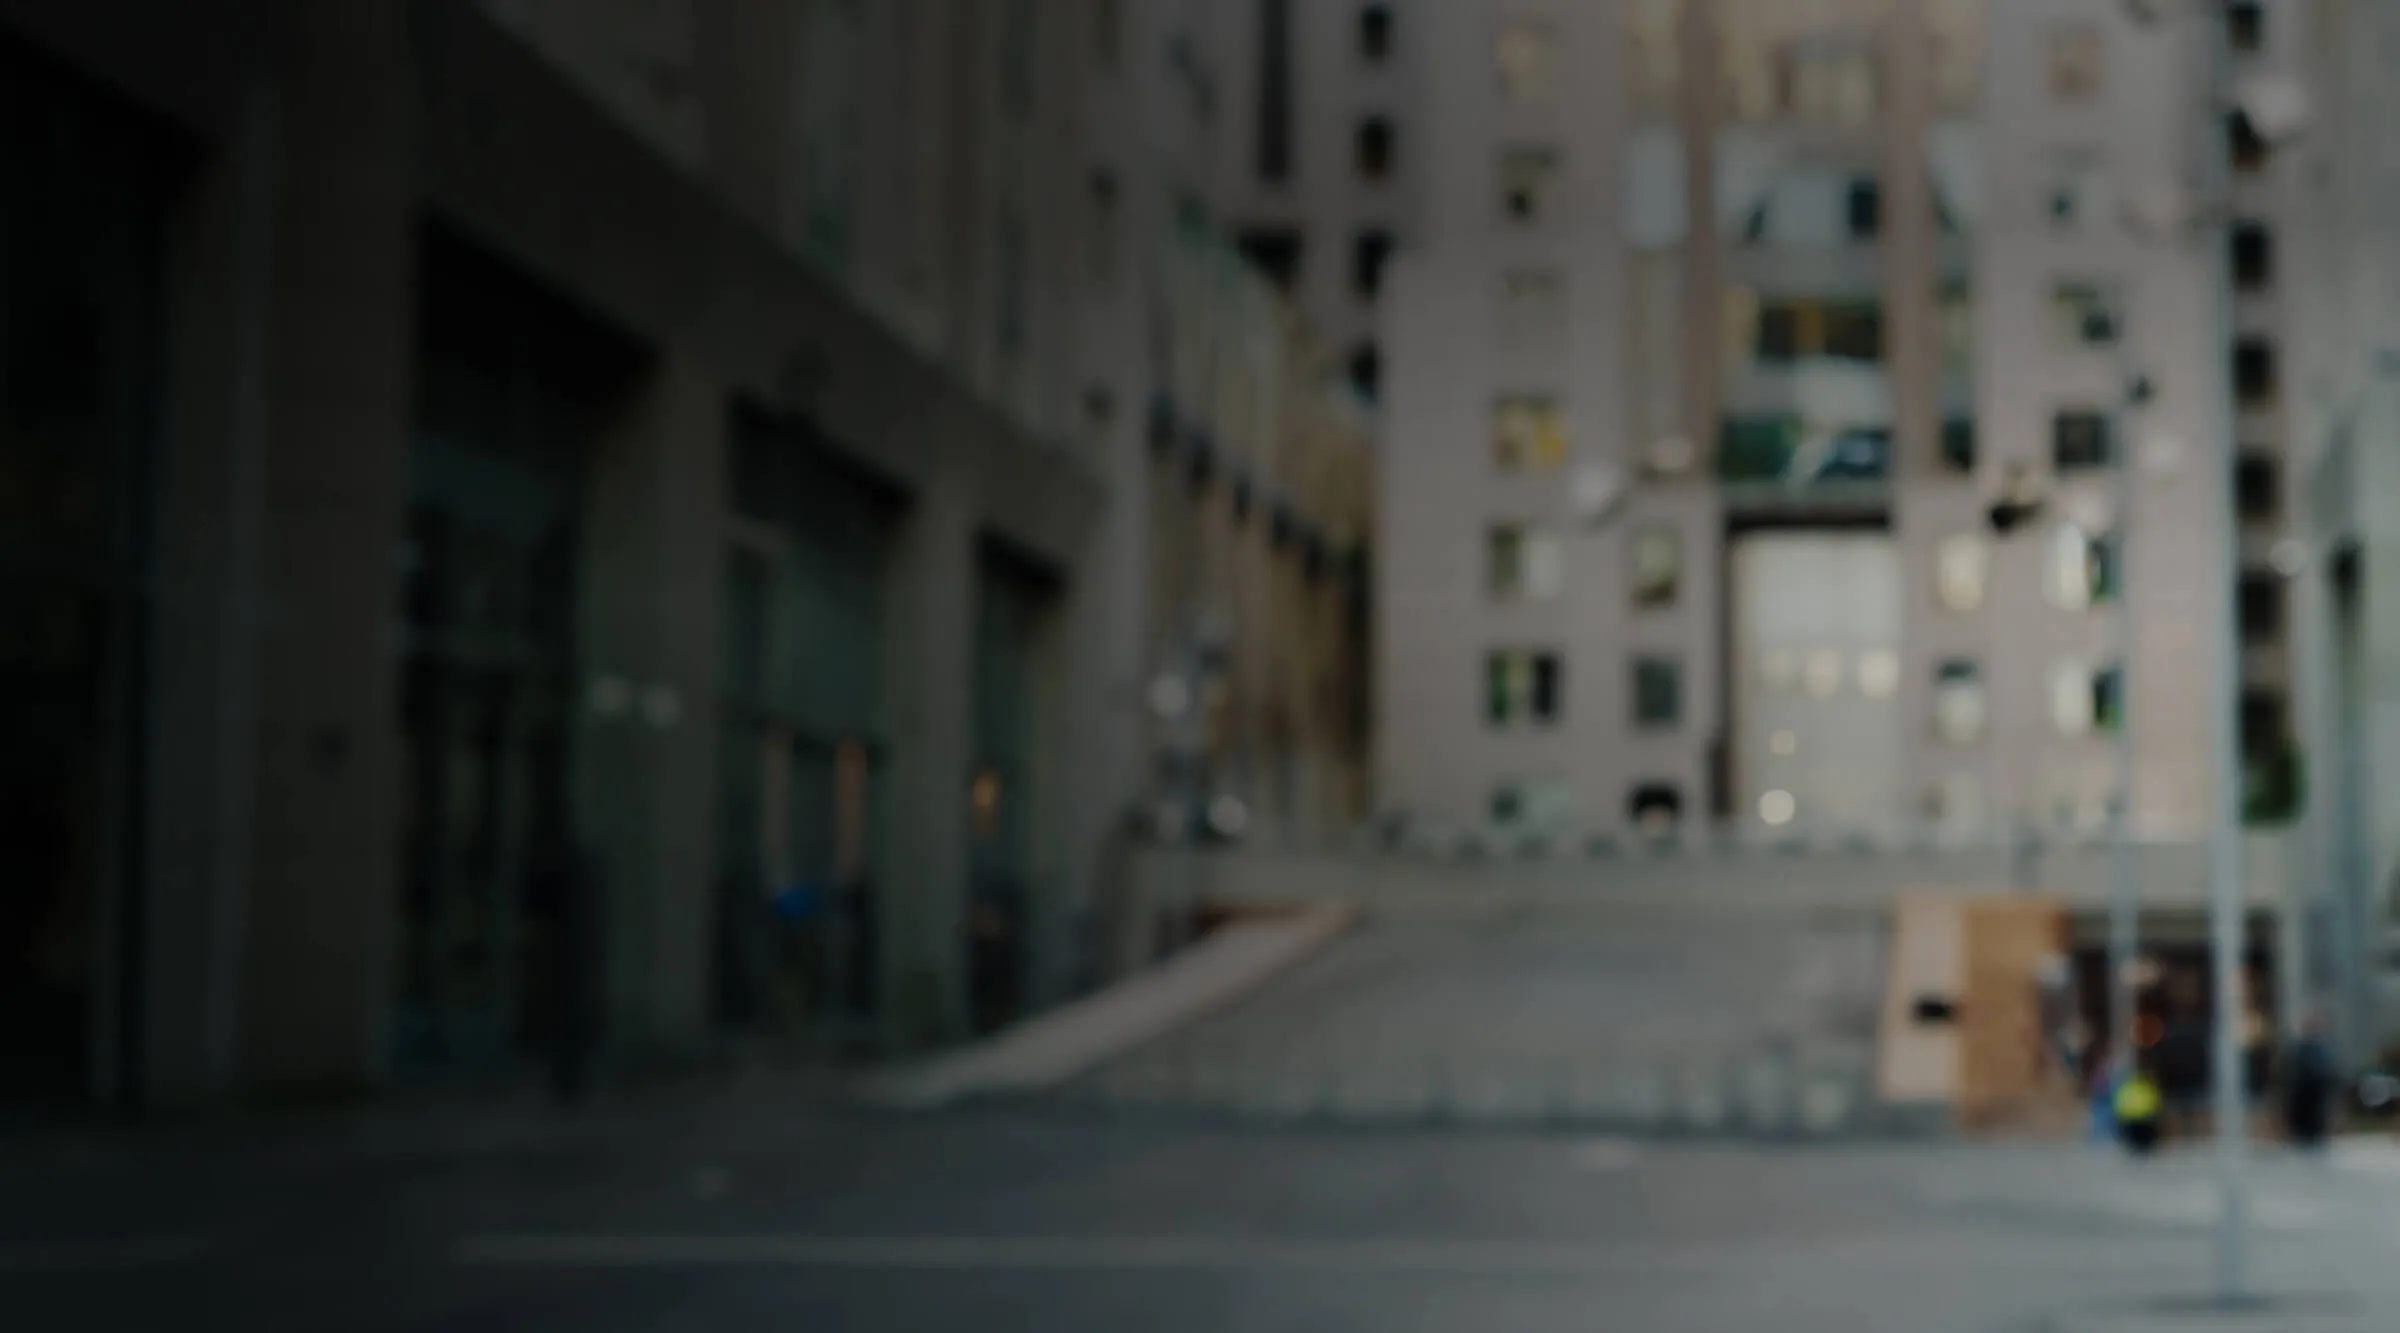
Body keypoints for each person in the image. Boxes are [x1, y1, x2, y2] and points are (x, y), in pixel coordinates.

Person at [2284, 1010, 2336, 1148]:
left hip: (2316, 1106)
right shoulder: (2300, 1050)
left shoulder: (2322, 1049)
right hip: (2303, 1104)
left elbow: (2328, 1076)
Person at [2115, 1062, 2164, 1155]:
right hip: (2141, 1121)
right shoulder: (2148, 1087)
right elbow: (2156, 1105)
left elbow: (2119, 1105)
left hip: (2134, 1121)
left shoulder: (2126, 1087)